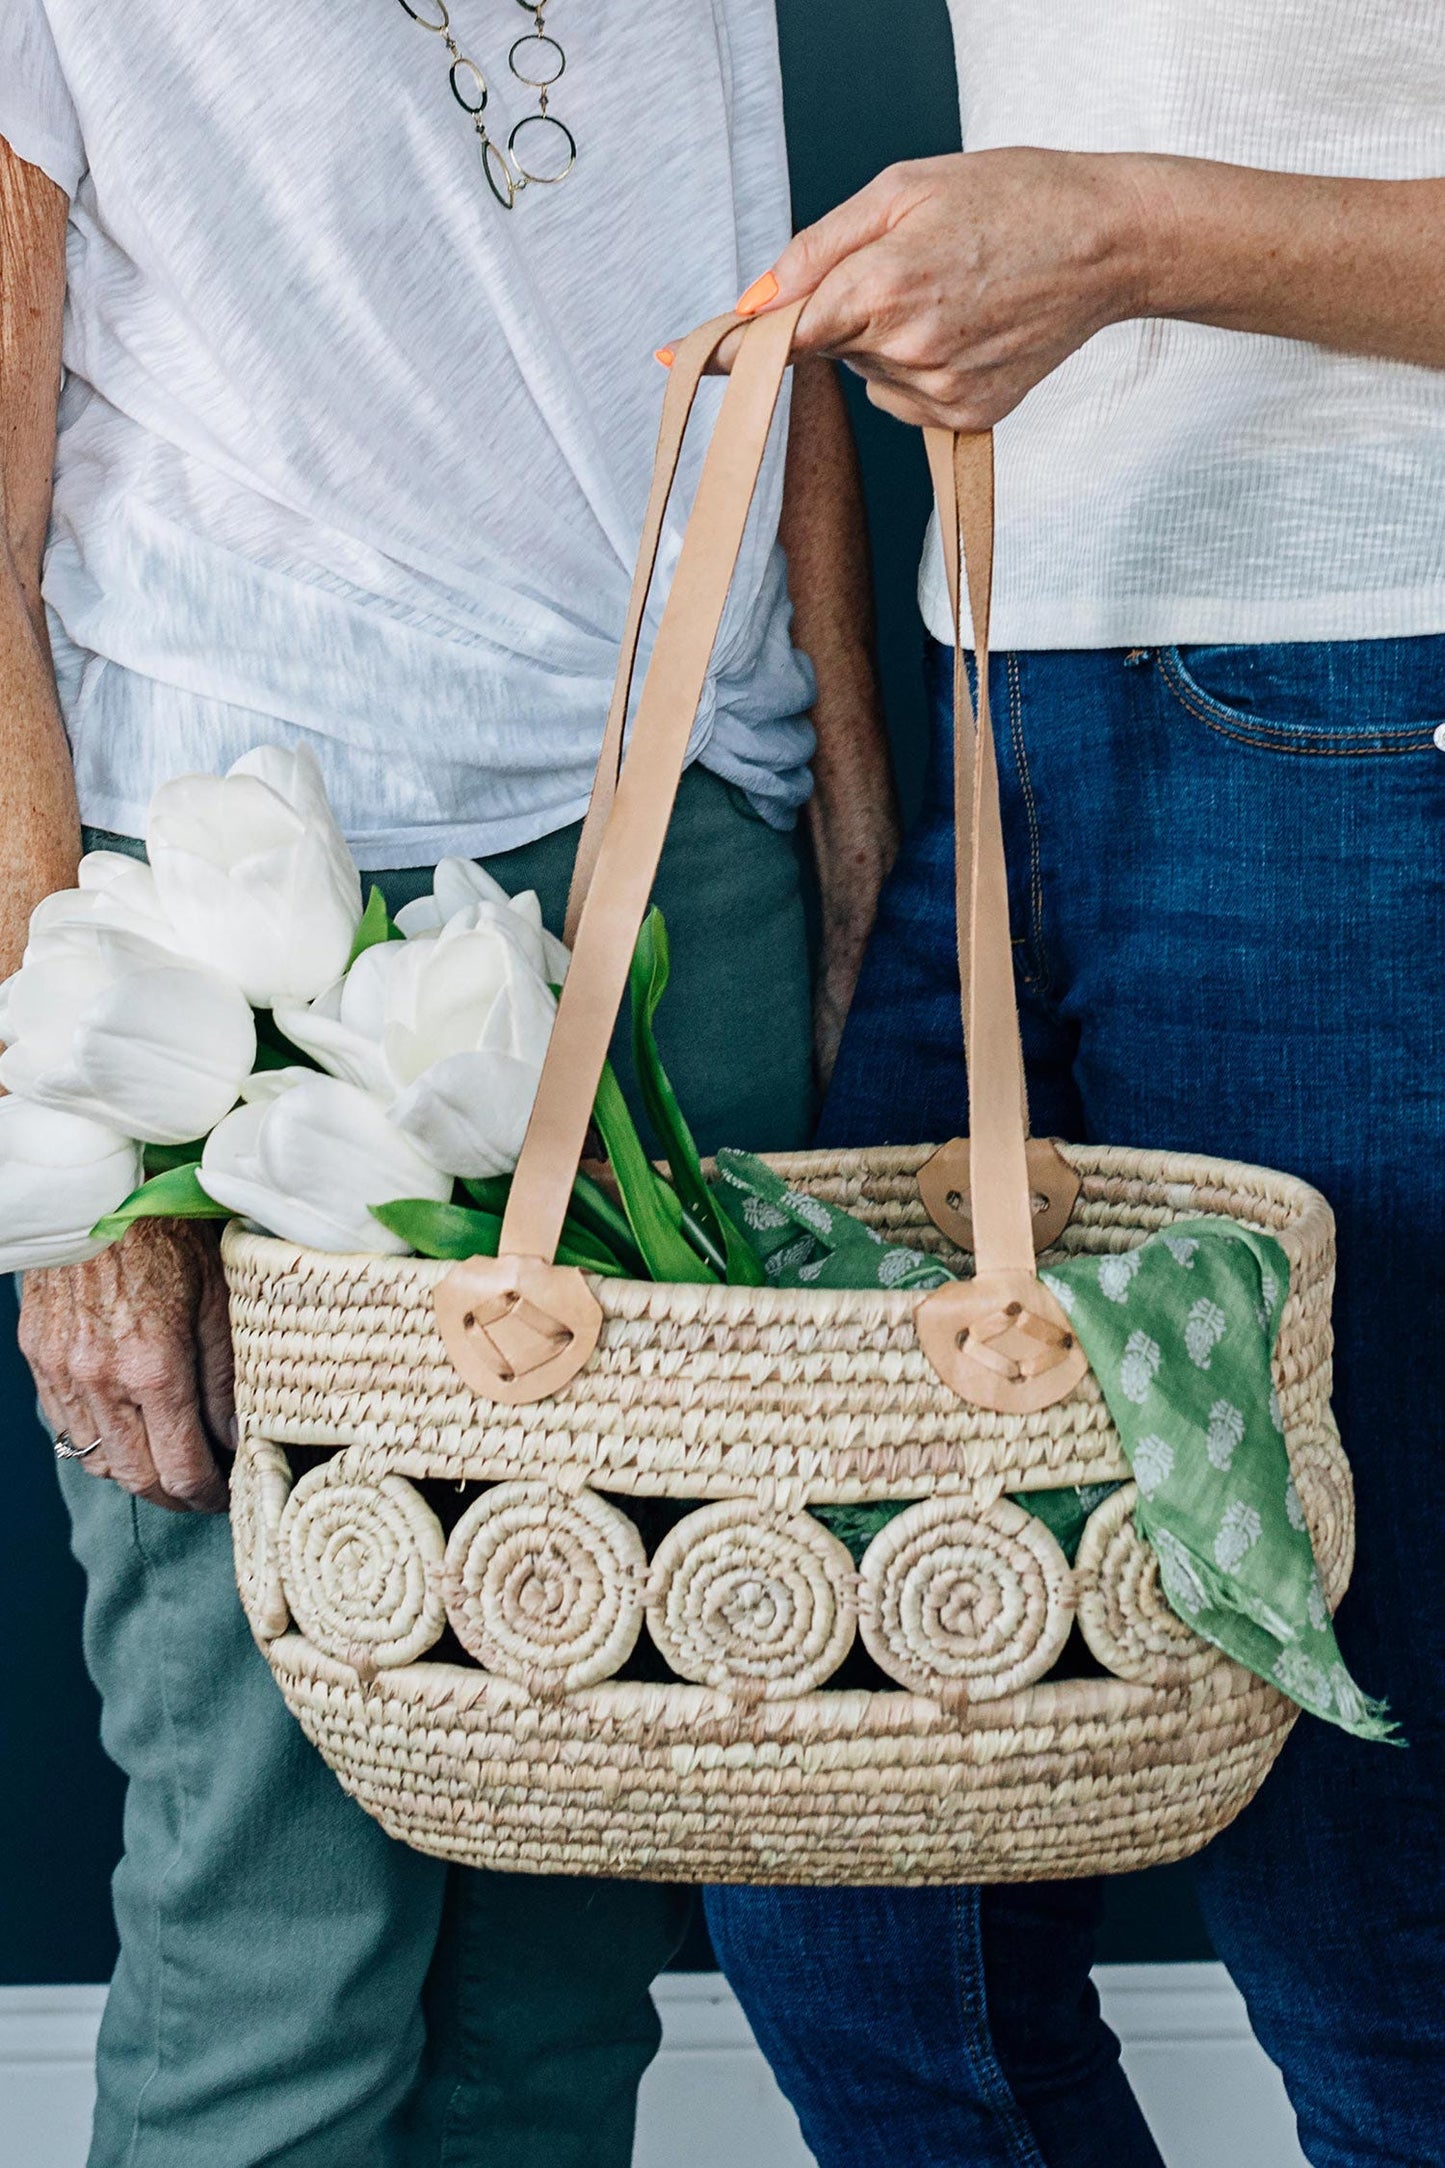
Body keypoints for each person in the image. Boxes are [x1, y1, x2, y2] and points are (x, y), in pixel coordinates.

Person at [0, 6, 895, 2163]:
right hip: (254, 919)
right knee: (277, 1933)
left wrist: (848, 795)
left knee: (574, 1928)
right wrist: (75, 1118)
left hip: (686, 873)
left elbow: (755, 299)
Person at [698, 7, 1445, 2165]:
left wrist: (1118, 236)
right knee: (842, 1823)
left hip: (1367, 700)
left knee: (1367, 1867)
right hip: (1006, 698)